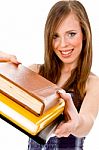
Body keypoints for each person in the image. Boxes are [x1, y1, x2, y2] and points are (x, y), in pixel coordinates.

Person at [0, 0, 99, 149]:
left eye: (71, 34)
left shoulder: (91, 82)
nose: (63, 44)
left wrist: (75, 122)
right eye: (55, 36)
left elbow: (87, 122)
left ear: (84, 34)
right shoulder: (35, 72)